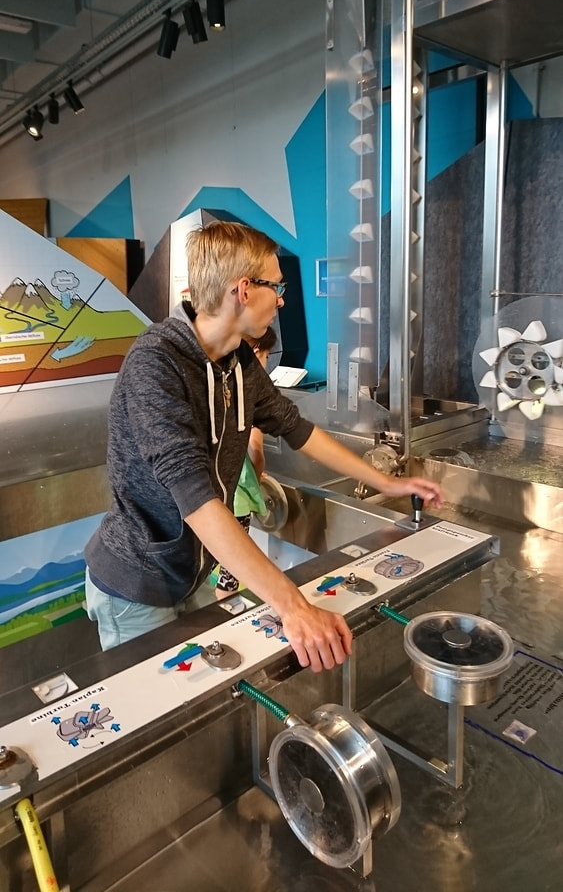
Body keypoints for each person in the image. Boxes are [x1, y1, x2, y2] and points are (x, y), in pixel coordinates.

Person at [84, 220, 443, 671]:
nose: (282, 299)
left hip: (193, 572)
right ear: (243, 289)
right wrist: (293, 607)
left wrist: (386, 483)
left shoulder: (236, 360)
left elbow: (295, 428)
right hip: (137, 583)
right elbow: (195, 498)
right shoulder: (156, 363)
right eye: (277, 286)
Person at [213, 326, 277, 600]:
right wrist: (258, 475)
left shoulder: (219, 387)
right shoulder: (248, 395)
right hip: (238, 500)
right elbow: (256, 449)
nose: (266, 363)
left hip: (214, 496)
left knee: (217, 555)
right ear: (255, 352)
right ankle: (225, 607)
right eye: (267, 357)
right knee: (232, 570)